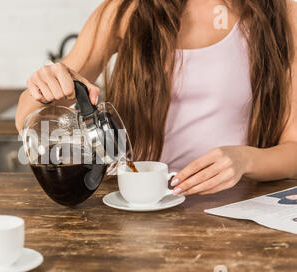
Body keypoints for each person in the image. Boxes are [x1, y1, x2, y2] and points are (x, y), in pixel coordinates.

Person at [16, 0, 297, 196]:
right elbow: (26, 116)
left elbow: (293, 149)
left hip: (225, 207)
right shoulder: (126, 10)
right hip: (133, 205)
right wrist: (46, 87)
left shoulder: (285, 16)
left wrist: (245, 161)